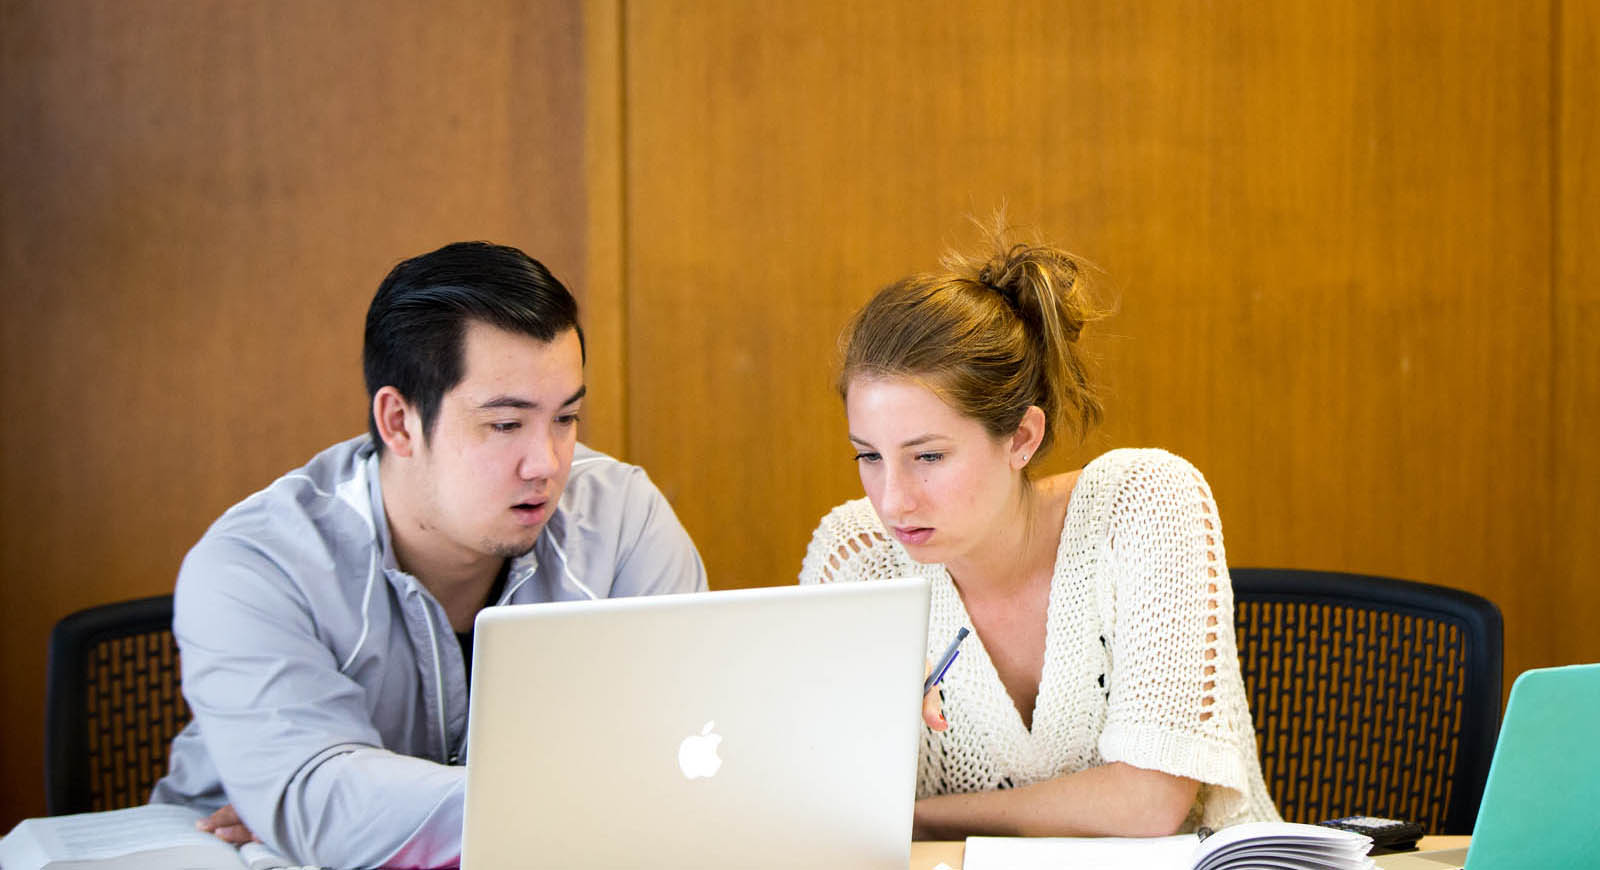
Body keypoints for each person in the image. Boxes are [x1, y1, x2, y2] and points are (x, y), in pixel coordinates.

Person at [150, 242, 707, 867]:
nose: (547, 464)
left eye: (566, 418)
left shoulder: (622, 516)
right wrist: (330, 814)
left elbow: (694, 750)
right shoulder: (254, 565)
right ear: (398, 422)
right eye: (504, 425)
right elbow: (320, 803)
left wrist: (380, 817)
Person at [798, 231, 1279, 839]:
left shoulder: (1144, 502)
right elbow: (820, 811)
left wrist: (912, 820)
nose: (893, 501)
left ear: (1022, 438)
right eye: (868, 457)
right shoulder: (856, 558)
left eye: (928, 458)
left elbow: (1149, 802)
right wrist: (862, 736)